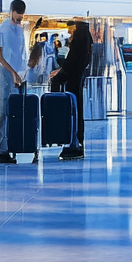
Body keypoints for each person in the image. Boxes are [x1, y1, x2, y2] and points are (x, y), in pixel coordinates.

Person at [0, 0, 28, 164]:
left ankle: (9, 146)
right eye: (17, 17)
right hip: (5, 73)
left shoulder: (20, 30)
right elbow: (0, 55)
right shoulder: (3, 28)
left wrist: (21, 73)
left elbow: (21, 53)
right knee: (1, 112)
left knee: (12, 112)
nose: (19, 20)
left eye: (21, 17)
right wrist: (12, 72)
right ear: (11, 11)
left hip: (16, 75)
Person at [51, 20, 92, 160]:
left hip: (71, 87)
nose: (69, 32)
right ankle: (76, 141)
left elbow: (70, 64)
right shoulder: (86, 42)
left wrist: (59, 76)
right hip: (75, 86)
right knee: (77, 110)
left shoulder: (78, 43)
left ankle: (72, 142)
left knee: (72, 112)